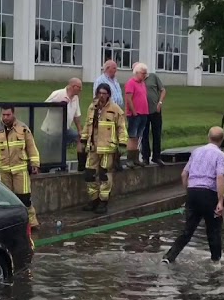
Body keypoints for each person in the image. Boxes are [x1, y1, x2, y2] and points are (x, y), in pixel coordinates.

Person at [162, 126, 224, 264]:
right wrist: (220, 201)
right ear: (222, 139)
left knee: (187, 230)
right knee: (214, 230)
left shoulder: (196, 151)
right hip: (209, 194)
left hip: (193, 192)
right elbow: (220, 177)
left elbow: (184, 174)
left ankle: (169, 257)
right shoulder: (221, 155)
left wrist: (189, 192)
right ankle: (216, 262)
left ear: (208, 137)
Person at [0, 103, 42, 230]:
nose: (5, 117)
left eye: (8, 115)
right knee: (5, 200)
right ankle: (9, 225)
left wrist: (35, 164)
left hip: (20, 170)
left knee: (25, 198)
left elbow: (31, 147)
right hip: (2, 171)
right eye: (3, 114)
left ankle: (31, 223)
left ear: (13, 113)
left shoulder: (23, 128)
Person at [80, 82, 127, 214]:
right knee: (89, 174)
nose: (101, 96)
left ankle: (103, 201)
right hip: (93, 147)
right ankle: (93, 199)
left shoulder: (115, 109)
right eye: (99, 93)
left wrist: (122, 143)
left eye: (104, 93)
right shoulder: (92, 107)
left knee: (104, 175)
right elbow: (87, 125)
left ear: (108, 95)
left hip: (107, 148)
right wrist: (83, 139)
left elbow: (121, 127)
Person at [42, 77, 83, 164]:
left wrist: (80, 130)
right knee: (49, 152)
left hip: (65, 128)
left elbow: (76, 116)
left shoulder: (75, 98)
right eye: (79, 87)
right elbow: (44, 106)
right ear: (73, 86)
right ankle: (46, 166)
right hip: (52, 130)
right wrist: (58, 105)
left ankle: (80, 164)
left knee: (79, 137)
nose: (81, 90)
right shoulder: (58, 94)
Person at [139, 63, 167, 166]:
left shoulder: (153, 77)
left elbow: (163, 90)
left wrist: (160, 102)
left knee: (157, 133)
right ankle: (145, 157)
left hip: (155, 110)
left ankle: (157, 157)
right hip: (143, 111)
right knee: (144, 134)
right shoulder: (138, 80)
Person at [123, 63, 150, 167]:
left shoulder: (142, 83)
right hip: (135, 114)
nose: (145, 75)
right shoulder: (131, 83)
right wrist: (133, 111)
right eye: (143, 73)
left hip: (144, 113)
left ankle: (135, 158)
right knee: (132, 136)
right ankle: (130, 159)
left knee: (138, 136)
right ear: (137, 72)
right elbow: (128, 99)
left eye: (145, 73)